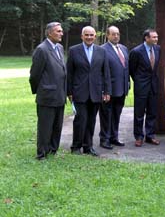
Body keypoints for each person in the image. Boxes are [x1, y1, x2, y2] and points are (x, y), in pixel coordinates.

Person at [67, 26, 111, 156]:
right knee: (80, 119)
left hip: (96, 92)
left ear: (95, 36)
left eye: (92, 35)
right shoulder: (74, 50)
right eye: (86, 35)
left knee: (91, 120)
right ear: (82, 36)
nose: (89, 37)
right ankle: (76, 147)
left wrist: (107, 91)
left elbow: (106, 72)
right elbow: (69, 73)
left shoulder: (101, 51)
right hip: (79, 92)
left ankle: (88, 146)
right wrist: (69, 92)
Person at [29, 22, 67, 160]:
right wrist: (40, 90)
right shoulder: (42, 49)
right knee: (45, 126)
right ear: (49, 33)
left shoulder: (60, 48)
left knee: (57, 125)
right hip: (47, 95)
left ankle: (53, 149)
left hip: (60, 94)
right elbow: (34, 74)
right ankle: (42, 153)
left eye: (61, 31)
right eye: (58, 31)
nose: (61, 33)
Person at [129, 29, 161, 147]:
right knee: (139, 113)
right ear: (146, 38)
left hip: (153, 85)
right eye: (153, 37)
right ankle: (138, 137)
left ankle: (150, 136)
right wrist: (138, 80)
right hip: (141, 86)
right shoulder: (136, 52)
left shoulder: (158, 49)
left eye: (156, 37)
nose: (156, 39)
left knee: (152, 112)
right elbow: (132, 69)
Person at [99, 26, 129, 149]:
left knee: (117, 114)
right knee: (106, 115)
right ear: (107, 35)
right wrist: (104, 90)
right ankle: (104, 139)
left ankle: (114, 137)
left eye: (117, 34)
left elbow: (125, 68)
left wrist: (127, 84)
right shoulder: (102, 50)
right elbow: (100, 72)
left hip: (121, 89)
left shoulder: (124, 48)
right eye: (113, 34)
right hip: (109, 90)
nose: (116, 36)